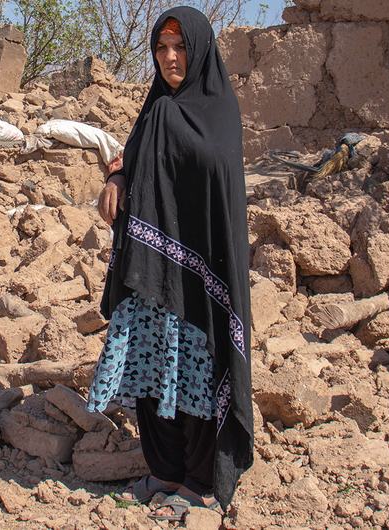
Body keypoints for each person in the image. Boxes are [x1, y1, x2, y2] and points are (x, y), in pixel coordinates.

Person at [87, 6, 253, 522]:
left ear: (198, 51)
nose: (170, 58)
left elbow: (216, 182)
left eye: (179, 47)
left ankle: (200, 483)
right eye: (161, 48)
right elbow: (133, 158)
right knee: (153, 362)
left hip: (201, 277)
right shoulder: (156, 108)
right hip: (152, 273)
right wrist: (117, 178)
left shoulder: (219, 112)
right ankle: (163, 471)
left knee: (197, 371)